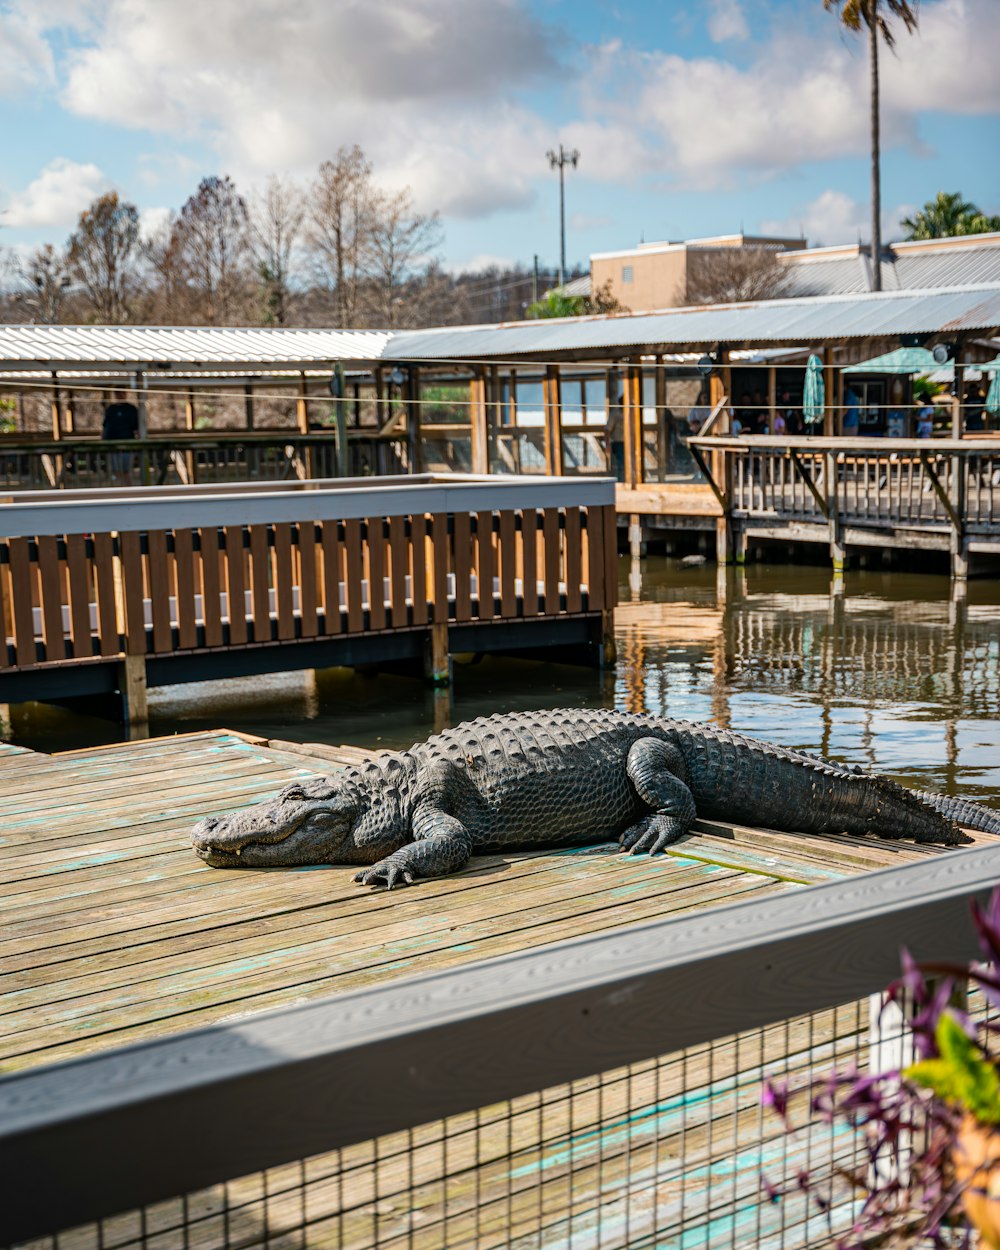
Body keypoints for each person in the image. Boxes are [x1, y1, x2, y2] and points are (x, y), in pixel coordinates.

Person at [102, 389, 140, 485]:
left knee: (126, 470)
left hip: (128, 444)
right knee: (115, 469)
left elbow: (137, 427)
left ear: (125, 394)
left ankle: (129, 489)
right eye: (117, 393)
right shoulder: (111, 409)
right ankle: (117, 489)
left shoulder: (131, 409)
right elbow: (105, 426)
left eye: (121, 393)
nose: (120, 395)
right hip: (112, 445)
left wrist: (138, 442)